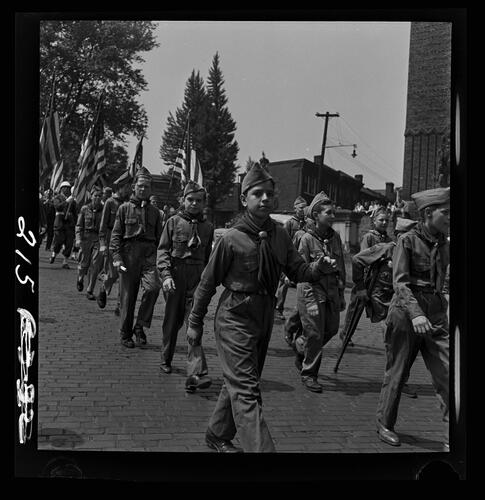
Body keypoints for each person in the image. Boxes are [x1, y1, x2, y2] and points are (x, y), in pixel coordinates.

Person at [186, 166, 339, 453]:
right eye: (257, 193)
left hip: (264, 315)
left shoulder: (280, 235)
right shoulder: (231, 238)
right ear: (244, 199)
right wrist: (195, 323)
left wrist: (319, 267)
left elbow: (298, 271)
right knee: (247, 390)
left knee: (241, 378)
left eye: (269, 193)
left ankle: (217, 434)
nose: (265, 198)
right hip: (234, 316)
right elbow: (207, 283)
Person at [375, 187, 450, 449]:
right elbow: (400, 283)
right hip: (406, 313)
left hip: (437, 314)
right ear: (429, 213)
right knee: (398, 372)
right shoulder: (406, 240)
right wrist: (417, 314)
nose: (451, 217)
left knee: (448, 373)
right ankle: (385, 423)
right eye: (446, 212)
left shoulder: (444, 244)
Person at [350, 217, 419, 399]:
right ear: (398, 235)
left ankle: (399, 378)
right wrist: (361, 287)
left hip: (400, 299)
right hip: (381, 298)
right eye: (407, 235)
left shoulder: (414, 253)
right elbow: (357, 260)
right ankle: (397, 380)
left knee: (407, 341)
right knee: (394, 338)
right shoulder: (386, 248)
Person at [157, 181, 214, 393]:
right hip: (175, 276)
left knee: (194, 323)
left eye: (198, 201)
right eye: (190, 200)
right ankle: (166, 356)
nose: (194, 204)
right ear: (183, 200)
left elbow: (209, 258)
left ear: (204, 203)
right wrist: (165, 275)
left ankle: (195, 374)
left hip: (196, 279)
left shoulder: (208, 228)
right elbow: (162, 250)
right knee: (172, 322)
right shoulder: (173, 222)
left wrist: (207, 283)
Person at [294, 192, 346, 393]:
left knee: (331, 329)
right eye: (328, 213)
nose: (332, 216)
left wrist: (341, 294)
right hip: (311, 291)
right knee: (315, 333)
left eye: (333, 212)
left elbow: (340, 265)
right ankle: (309, 373)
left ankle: (301, 345)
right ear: (316, 215)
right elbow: (301, 268)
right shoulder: (306, 238)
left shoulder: (335, 238)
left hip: (331, 290)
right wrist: (320, 264)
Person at [110, 167, 163, 348]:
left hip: (148, 255)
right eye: (140, 186)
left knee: (153, 288)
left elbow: (160, 239)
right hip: (128, 254)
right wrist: (117, 257)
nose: (143, 190)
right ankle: (126, 334)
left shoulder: (156, 213)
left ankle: (140, 325)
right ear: (134, 187)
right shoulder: (124, 209)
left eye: (147, 187)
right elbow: (116, 235)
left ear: (150, 190)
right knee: (128, 297)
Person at [339, 207, 392, 347]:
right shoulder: (369, 237)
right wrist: (378, 259)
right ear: (374, 221)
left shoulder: (388, 239)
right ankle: (346, 333)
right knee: (355, 309)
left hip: (379, 281)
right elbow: (362, 257)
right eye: (381, 220)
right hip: (365, 278)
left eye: (387, 220)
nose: (384, 222)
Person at [97, 175, 133, 313]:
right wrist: (102, 245)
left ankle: (119, 304)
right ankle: (103, 289)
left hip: (126, 245)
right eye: (127, 187)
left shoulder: (129, 204)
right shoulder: (110, 202)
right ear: (121, 187)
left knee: (123, 273)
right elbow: (103, 226)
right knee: (112, 274)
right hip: (112, 244)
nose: (130, 190)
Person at [274, 196, 308, 321]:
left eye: (305, 208)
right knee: (284, 284)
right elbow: (283, 241)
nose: (303, 210)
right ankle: (278, 308)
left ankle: (300, 312)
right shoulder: (289, 223)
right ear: (295, 208)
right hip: (288, 258)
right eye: (301, 208)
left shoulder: (307, 224)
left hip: (301, 259)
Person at [283, 205, 313, 347]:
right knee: (304, 307)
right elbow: (290, 251)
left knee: (311, 311)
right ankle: (290, 327)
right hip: (302, 274)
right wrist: (288, 272)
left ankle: (301, 338)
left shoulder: (328, 235)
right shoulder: (300, 234)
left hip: (319, 278)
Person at [75, 186, 104, 300]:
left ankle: (90, 289)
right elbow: (79, 225)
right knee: (83, 263)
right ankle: (80, 278)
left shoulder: (104, 209)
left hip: (98, 238)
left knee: (95, 265)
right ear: (91, 196)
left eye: (99, 196)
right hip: (86, 237)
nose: (97, 197)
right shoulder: (84, 209)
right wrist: (78, 239)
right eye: (95, 195)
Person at [50, 181, 78, 269]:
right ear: (61, 189)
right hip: (60, 223)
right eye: (65, 187)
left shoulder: (72, 200)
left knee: (69, 243)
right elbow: (58, 207)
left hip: (69, 224)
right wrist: (66, 201)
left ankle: (65, 261)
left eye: (68, 188)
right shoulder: (57, 198)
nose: (67, 189)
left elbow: (74, 213)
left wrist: (77, 223)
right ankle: (54, 253)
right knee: (58, 241)